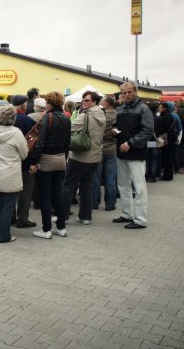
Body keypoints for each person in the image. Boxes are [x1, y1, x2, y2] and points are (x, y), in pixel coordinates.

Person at [29, 91, 70, 239]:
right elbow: (67, 142)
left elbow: (40, 142)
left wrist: (34, 161)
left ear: (49, 103)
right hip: (60, 159)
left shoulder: (48, 117)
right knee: (57, 194)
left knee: (45, 195)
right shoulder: (66, 117)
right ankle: (61, 227)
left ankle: (46, 229)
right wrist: (64, 157)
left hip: (46, 159)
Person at [112, 82, 153, 229]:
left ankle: (140, 219)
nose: (127, 94)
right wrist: (114, 131)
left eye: (129, 92)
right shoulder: (120, 109)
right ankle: (127, 214)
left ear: (135, 92)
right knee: (123, 185)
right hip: (122, 152)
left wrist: (130, 143)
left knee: (139, 187)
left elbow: (148, 130)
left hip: (136, 153)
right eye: (124, 92)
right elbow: (115, 126)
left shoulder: (143, 108)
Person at [61, 90, 105, 225]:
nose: (84, 102)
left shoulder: (85, 116)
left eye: (87, 100)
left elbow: (68, 127)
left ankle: (63, 216)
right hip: (95, 156)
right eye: (83, 100)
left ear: (95, 102)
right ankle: (85, 217)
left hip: (81, 156)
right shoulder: (101, 115)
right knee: (87, 186)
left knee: (68, 185)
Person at [0, 105, 28, 243]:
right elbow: (24, 154)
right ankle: (4, 236)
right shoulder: (17, 133)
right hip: (11, 174)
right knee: (8, 206)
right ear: (13, 118)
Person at [10, 95, 36, 228]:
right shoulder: (28, 121)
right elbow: (34, 143)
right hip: (25, 161)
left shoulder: (6, 119)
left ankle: (10, 216)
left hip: (9, 161)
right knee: (25, 191)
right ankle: (22, 218)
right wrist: (33, 162)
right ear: (24, 106)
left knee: (10, 190)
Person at [93, 95, 118, 210]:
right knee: (110, 178)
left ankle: (95, 202)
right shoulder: (119, 115)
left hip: (100, 148)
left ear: (107, 104)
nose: (100, 104)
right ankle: (110, 204)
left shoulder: (100, 115)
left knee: (96, 177)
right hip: (112, 149)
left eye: (102, 102)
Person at [158, 102, 177, 180]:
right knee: (167, 156)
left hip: (167, 139)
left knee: (167, 157)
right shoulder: (167, 115)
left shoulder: (166, 116)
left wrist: (159, 131)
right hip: (170, 138)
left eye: (160, 107)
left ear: (165, 108)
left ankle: (168, 176)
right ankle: (167, 175)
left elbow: (166, 127)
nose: (159, 108)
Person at [145, 102, 161, 182]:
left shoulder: (145, 117)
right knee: (154, 159)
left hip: (147, 140)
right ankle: (153, 176)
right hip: (155, 140)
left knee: (147, 159)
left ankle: (146, 176)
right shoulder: (158, 118)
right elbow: (160, 129)